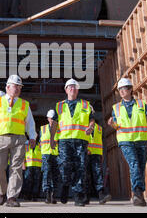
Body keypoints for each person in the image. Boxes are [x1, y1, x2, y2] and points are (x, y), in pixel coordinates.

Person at [0, 75, 37, 207]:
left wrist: (33, 137)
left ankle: (11, 197)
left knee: (16, 168)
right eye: (15, 86)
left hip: (19, 139)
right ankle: (2, 191)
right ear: (7, 87)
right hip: (1, 138)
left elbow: (30, 123)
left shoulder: (24, 104)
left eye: (19, 86)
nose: (17, 88)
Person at [107, 77, 147, 206]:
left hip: (141, 140)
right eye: (119, 89)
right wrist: (112, 124)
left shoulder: (142, 104)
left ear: (130, 89)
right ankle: (136, 193)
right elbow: (117, 126)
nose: (121, 91)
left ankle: (139, 195)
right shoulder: (116, 108)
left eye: (123, 88)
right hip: (126, 141)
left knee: (140, 168)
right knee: (134, 164)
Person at [49, 78, 95, 206]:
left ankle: (78, 196)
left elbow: (92, 119)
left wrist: (91, 127)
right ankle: (65, 184)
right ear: (66, 89)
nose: (72, 89)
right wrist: (52, 139)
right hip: (64, 141)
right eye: (70, 87)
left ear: (78, 89)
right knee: (64, 166)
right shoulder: (59, 105)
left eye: (74, 87)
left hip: (81, 140)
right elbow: (54, 124)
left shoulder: (86, 104)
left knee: (81, 167)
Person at [86, 121, 112, 204]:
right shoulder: (82, 126)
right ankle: (85, 197)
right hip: (85, 154)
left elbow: (100, 142)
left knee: (97, 173)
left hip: (97, 154)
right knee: (86, 175)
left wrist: (102, 154)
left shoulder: (99, 128)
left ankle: (101, 195)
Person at [40, 109, 60, 204]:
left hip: (56, 155)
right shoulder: (42, 129)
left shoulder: (59, 128)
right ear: (48, 118)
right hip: (46, 154)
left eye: (54, 119)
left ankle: (54, 195)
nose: (52, 120)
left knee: (55, 175)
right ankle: (47, 194)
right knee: (47, 174)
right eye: (51, 118)